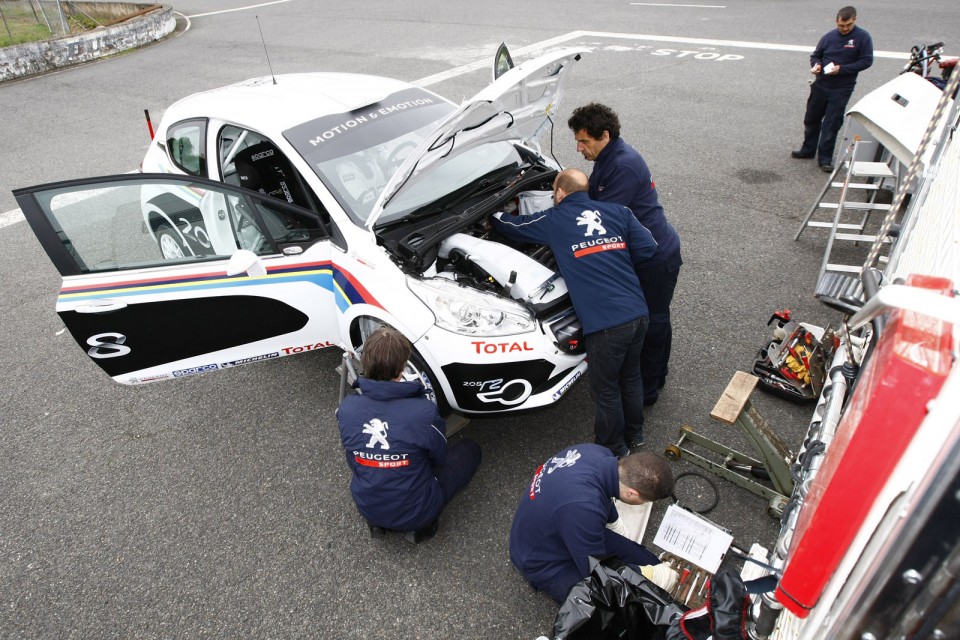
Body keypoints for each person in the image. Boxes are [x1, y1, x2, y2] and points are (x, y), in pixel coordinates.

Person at [490, 169, 657, 456]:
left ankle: (613, 450)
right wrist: (609, 256)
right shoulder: (619, 212)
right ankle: (635, 435)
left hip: (606, 324)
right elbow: (649, 247)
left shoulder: (556, 219)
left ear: (560, 193)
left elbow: (513, 226)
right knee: (630, 376)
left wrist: (493, 214)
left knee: (605, 390)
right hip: (637, 313)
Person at [567, 104, 682, 407]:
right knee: (652, 319)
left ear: (604, 135)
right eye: (577, 141)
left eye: (584, 142)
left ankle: (649, 389)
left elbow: (604, 220)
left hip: (655, 257)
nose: (579, 148)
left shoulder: (622, 166)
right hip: (647, 251)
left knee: (654, 321)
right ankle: (652, 377)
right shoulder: (609, 157)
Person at [336, 326, 481, 542]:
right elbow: (438, 458)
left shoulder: (347, 409)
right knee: (470, 450)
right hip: (418, 511)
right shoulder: (423, 412)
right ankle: (421, 526)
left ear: (365, 363)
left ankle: (380, 521)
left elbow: (353, 459)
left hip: (367, 506)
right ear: (401, 368)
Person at [509, 443, 678, 603]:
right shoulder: (583, 508)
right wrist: (648, 575)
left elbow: (606, 492)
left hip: (561, 524)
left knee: (650, 561)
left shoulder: (597, 453)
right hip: (540, 558)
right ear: (631, 494)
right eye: (645, 501)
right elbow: (598, 573)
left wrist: (614, 523)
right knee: (611, 605)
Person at [791, 6, 874, 172]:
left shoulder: (862, 37)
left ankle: (825, 158)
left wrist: (841, 69)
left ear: (854, 20)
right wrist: (816, 65)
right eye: (841, 26)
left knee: (831, 123)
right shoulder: (829, 37)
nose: (844, 29)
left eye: (848, 25)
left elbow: (866, 61)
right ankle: (808, 149)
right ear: (836, 22)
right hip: (821, 84)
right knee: (811, 119)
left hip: (842, 87)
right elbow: (816, 55)